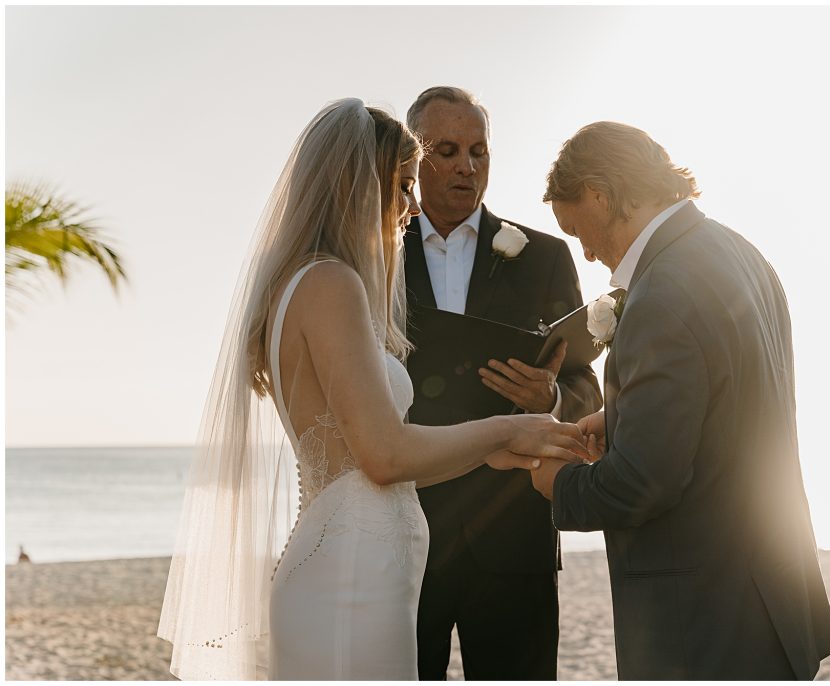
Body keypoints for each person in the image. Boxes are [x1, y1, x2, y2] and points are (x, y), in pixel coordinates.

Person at [157, 99, 586, 681]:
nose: (412, 206)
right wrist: (507, 427)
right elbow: (383, 458)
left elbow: (364, 457)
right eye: (403, 186)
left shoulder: (311, 279)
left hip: (358, 567)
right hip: (350, 579)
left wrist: (488, 450)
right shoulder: (331, 284)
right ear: (356, 187)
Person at [531, 121, 830, 679]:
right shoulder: (740, 252)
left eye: (578, 228)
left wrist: (555, 483)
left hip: (702, 622)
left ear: (600, 195)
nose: (588, 251)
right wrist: (621, 416)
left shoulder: (661, 291)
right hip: (771, 598)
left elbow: (643, 484)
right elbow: (730, 401)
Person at [403, 86, 603, 680]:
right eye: (446, 150)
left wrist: (552, 400)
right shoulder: (375, 255)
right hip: (407, 528)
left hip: (514, 531)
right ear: (412, 159)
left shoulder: (544, 257)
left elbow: (583, 381)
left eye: (478, 151)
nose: (467, 166)